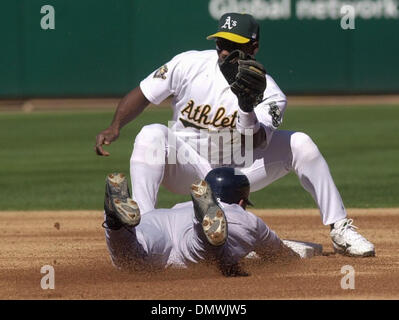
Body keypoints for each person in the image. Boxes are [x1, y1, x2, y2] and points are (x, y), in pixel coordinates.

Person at [95, 13, 374, 257]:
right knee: (151, 134)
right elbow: (144, 93)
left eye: (234, 45)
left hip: (240, 171)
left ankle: (340, 229)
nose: (225, 52)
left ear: (254, 47)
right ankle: (143, 227)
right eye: (221, 43)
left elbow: (254, 142)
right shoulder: (188, 64)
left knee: (301, 143)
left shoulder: (271, 94)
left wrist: (245, 106)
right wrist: (115, 125)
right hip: (186, 164)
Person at [102, 168, 301, 277]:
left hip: (160, 219)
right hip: (195, 234)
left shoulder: (181, 204)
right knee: (207, 253)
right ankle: (204, 228)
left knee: (131, 259)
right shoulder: (244, 217)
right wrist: (293, 257)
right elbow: (279, 255)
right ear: (241, 202)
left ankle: (115, 223)